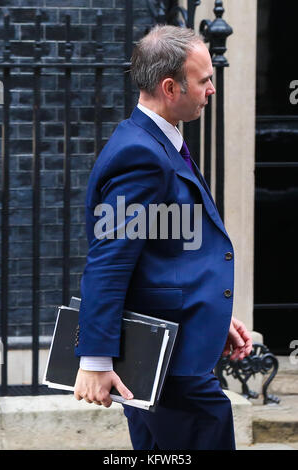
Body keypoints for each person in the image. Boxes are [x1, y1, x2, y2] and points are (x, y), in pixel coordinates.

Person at [74, 25, 252, 450]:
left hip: (173, 353)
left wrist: (209, 316)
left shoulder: (158, 143)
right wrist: (95, 360)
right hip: (170, 367)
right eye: (205, 80)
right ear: (171, 87)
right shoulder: (142, 155)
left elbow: (166, 255)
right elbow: (110, 260)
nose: (212, 89)